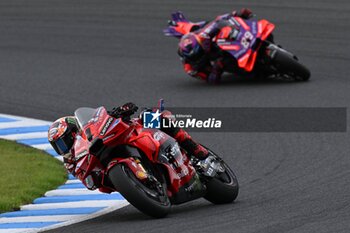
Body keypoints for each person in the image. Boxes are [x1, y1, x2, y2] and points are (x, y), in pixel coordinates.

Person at [48, 103, 208, 174]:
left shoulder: (91, 126)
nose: (63, 148)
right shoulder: (72, 163)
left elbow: (105, 117)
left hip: (131, 134)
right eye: (58, 146)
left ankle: (194, 148)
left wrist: (122, 111)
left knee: (151, 115)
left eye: (64, 141)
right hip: (109, 166)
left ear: (74, 132)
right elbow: (89, 182)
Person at [178, 8, 253, 83]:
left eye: (200, 49)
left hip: (221, 44)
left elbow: (218, 20)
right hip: (221, 60)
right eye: (198, 53)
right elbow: (210, 80)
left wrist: (238, 14)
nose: (200, 52)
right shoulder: (191, 69)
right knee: (228, 65)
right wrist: (216, 69)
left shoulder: (201, 36)